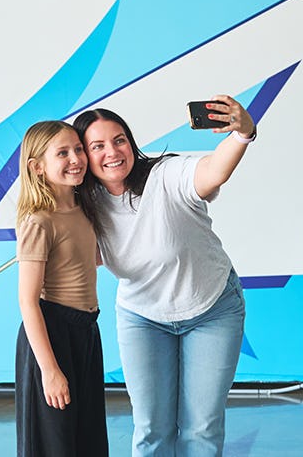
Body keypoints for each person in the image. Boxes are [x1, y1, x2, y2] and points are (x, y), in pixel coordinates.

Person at [73, 95, 256, 457]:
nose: (112, 151)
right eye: (97, 146)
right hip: (142, 318)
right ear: (84, 156)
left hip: (212, 310)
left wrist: (243, 134)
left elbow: (212, 171)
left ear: (131, 143)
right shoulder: (85, 206)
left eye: (119, 139)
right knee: (151, 429)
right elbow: (79, 258)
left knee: (200, 428)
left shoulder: (165, 175)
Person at [14, 120, 108, 457]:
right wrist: (50, 370)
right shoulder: (39, 221)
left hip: (86, 333)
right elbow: (28, 301)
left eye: (79, 149)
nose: (76, 159)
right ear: (37, 168)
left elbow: (87, 261)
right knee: (55, 443)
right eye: (62, 153)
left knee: (88, 437)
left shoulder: (85, 211)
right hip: (52, 334)